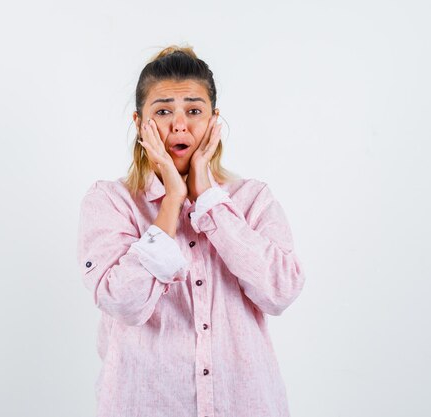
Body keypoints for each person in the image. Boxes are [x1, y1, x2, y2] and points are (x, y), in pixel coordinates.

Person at [76, 45, 306, 417]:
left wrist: (209, 202)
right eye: (163, 110)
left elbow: (280, 291)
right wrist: (171, 204)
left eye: (194, 111)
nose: (179, 124)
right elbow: (123, 302)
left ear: (214, 120)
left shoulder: (252, 199)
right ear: (139, 123)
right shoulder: (111, 202)